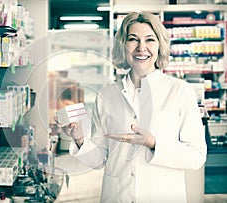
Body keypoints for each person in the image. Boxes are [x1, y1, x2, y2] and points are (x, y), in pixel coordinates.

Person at [57, 11, 207, 203]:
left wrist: (153, 143)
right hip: (117, 196)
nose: (141, 48)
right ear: (123, 46)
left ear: (159, 45)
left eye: (150, 40)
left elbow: (196, 156)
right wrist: (79, 138)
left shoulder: (180, 91)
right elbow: (100, 159)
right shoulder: (107, 95)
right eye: (133, 39)